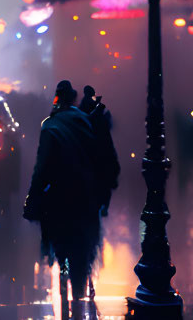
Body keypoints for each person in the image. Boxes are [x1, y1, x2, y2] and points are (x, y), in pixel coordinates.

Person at [24, 80, 114, 320]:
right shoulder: (85, 121)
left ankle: (62, 279)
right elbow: (97, 158)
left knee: (59, 244)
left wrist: (32, 198)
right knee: (82, 251)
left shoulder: (50, 126)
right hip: (84, 195)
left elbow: (41, 168)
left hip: (60, 196)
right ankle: (78, 290)